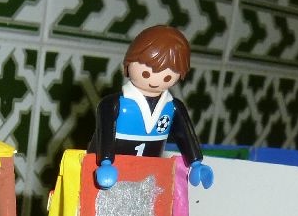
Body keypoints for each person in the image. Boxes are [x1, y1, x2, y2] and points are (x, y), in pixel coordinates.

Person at [88, 24, 214, 190]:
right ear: (128, 64)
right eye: (146, 73)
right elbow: (104, 136)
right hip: (110, 174)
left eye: (167, 76)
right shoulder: (114, 104)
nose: (155, 80)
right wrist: (105, 162)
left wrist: (195, 163)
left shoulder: (172, 107)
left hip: (148, 177)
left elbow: (186, 136)